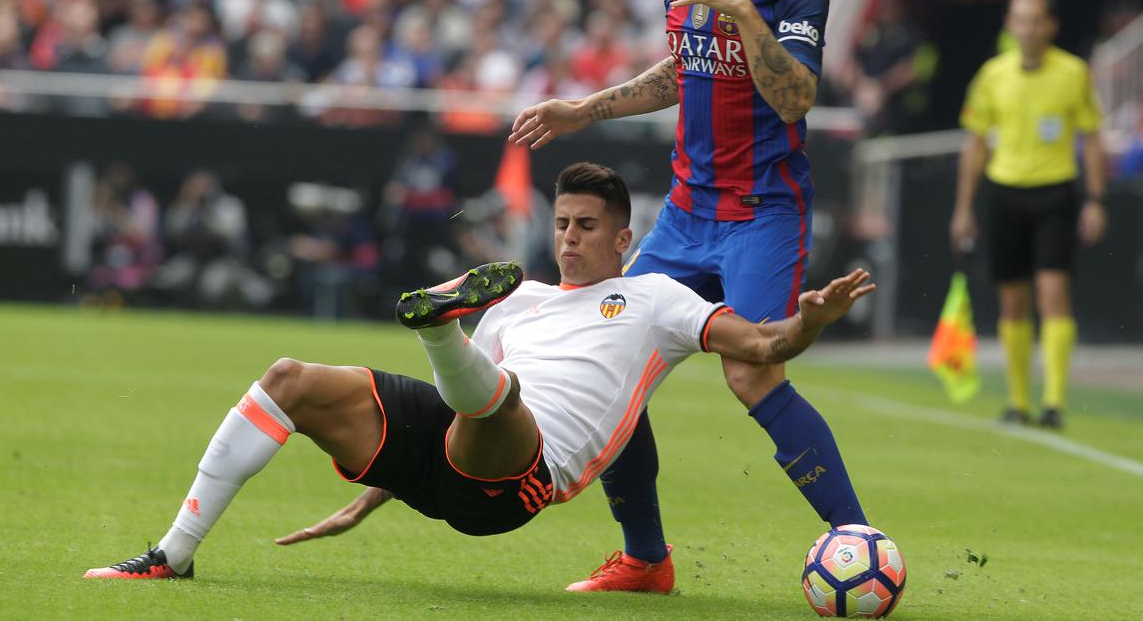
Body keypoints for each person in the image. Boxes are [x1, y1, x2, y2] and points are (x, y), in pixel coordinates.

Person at [85, 163, 874, 581]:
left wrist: (809, 320)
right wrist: (372, 497)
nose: (568, 238)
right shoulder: (517, 300)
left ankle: (437, 331)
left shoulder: (655, 298)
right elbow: (454, 416)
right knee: (289, 377)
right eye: (561, 222)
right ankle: (171, 555)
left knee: (500, 402)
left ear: (623, 239)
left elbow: (763, 350)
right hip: (460, 443)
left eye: (587, 226)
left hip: (519, 479)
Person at [508, 0, 867, 591]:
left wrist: (743, 9)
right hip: (683, 213)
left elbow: (795, 99)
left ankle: (859, 543)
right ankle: (646, 559)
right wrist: (586, 109)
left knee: (752, 371)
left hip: (761, 215)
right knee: (618, 359)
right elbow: (682, 72)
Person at [949, 0, 1108, 430]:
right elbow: (975, 143)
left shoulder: (1073, 73)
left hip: (1056, 193)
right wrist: (963, 208)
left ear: (1051, 25)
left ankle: (1055, 400)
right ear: (1009, 24)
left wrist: (1095, 199)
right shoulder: (993, 76)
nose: (1028, 28)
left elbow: (1092, 138)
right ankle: (1018, 401)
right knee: (1013, 300)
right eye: (1020, 19)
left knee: (1053, 294)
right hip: (1006, 194)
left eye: (1036, 20)